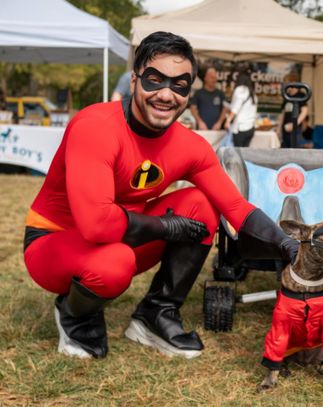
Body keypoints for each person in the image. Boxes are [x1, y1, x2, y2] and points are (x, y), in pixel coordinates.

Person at [23, 31, 297, 360]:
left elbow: (236, 207)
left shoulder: (190, 146)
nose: (167, 94)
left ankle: (156, 314)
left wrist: (289, 246)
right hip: (56, 242)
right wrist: (166, 228)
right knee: (114, 263)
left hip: (123, 236)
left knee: (200, 203)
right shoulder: (95, 126)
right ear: (135, 80)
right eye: (155, 80)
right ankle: (75, 314)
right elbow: (96, 224)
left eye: (180, 85)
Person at [224, 71, 258, 147]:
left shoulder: (240, 90)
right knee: (245, 153)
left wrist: (228, 121)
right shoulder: (253, 93)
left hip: (240, 128)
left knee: (237, 153)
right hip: (251, 128)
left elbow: (235, 108)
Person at [277, 83, 309, 148]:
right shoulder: (287, 96)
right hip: (285, 128)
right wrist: (279, 128)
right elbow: (283, 113)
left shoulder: (301, 95)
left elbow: (304, 112)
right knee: (285, 149)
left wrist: (295, 124)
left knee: (296, 149)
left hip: (295, 129)